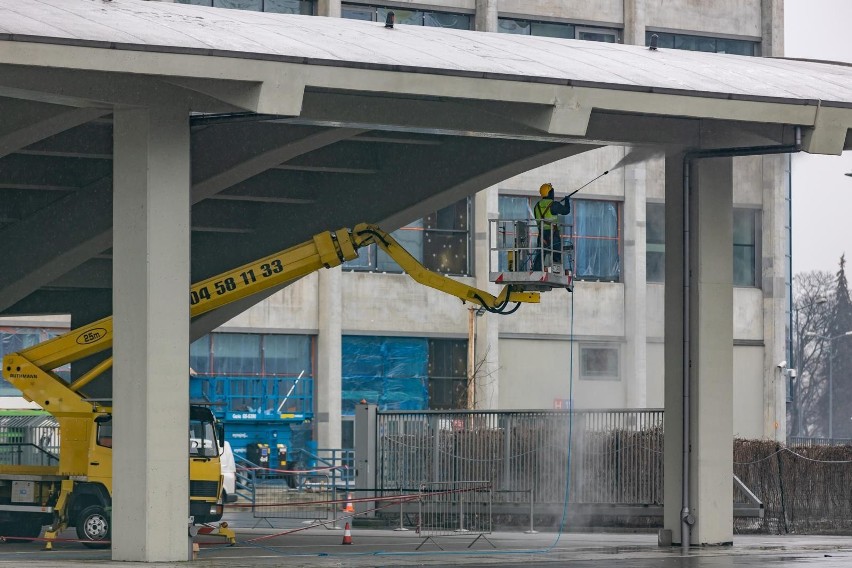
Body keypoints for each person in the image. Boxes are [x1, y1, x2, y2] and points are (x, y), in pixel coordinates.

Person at [532, 182, 571, 271]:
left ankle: (537, 270)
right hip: (552, 233)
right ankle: (556, 271)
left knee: (540, 254)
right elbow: (566, 211)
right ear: (550, 193)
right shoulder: (553, 204)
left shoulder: (537, 206)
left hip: (542, 234)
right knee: (556, 253)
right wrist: (567, 200)